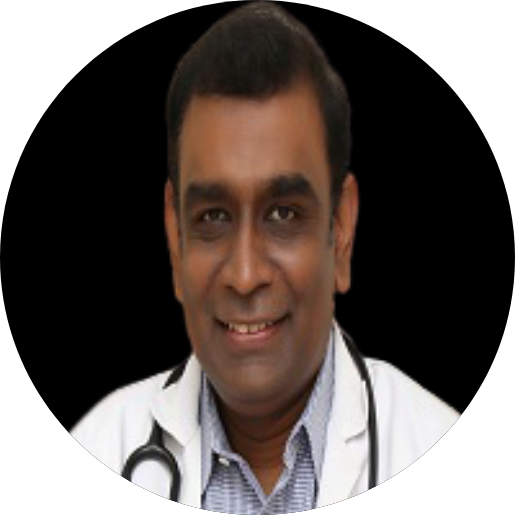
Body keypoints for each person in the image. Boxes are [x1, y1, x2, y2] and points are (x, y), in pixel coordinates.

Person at [70, 1, 460, 510]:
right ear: (174, 235)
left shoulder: (428, 437)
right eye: (213, 217)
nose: (245, 274)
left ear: (341, 229)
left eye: (283, 214)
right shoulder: (100, 445)